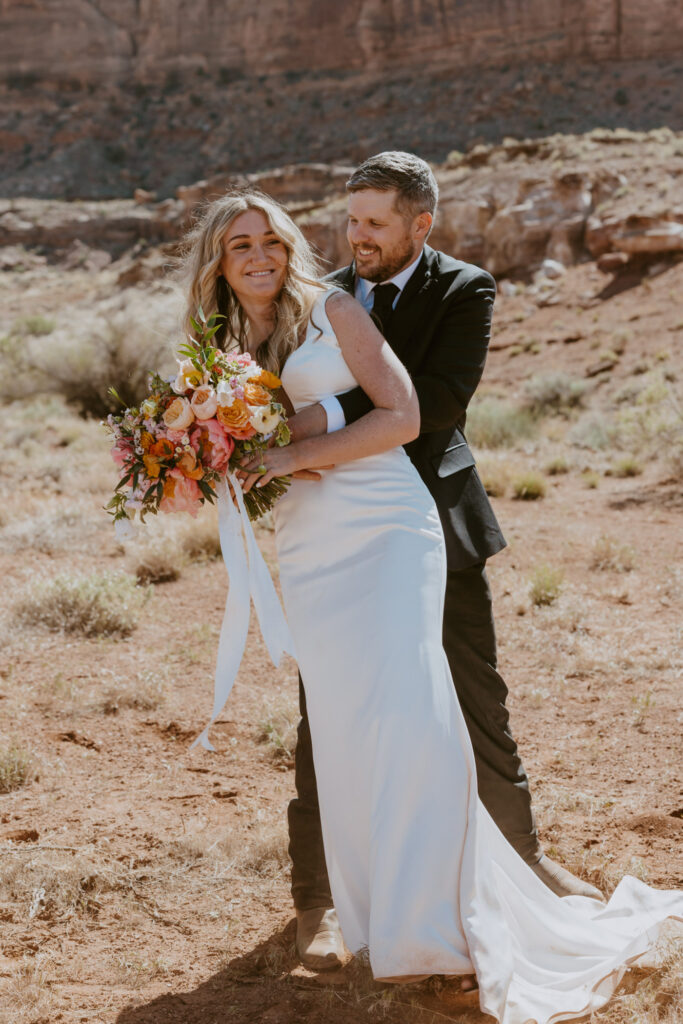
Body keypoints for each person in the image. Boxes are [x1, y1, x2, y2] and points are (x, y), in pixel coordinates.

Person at [186, 188, 682, 1024]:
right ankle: (384, 924)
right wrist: (193, 459)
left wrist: (282, 455)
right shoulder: (224, 342)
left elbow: (405, 414)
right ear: (217, 262)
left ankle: (446, 935)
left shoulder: (332, 309)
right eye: (239, 246)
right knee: (347, 729)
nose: (259, 255)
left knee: (413, 717)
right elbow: (236, 450)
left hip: (383, 524)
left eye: (269, 238)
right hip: (310, 543)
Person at [275, 152, 601, 970]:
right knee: (329, 710)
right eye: (350, 221)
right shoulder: (321, 298)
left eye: (376, 223)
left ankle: (519, 860)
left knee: (473, 693)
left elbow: (437, 402)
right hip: (341, 531)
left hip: (432, 526)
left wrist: (315, 420)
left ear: (421, 224)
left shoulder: (464, 288)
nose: (358, 238)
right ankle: (314, 899)